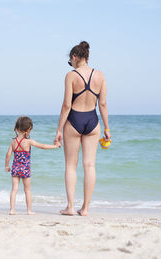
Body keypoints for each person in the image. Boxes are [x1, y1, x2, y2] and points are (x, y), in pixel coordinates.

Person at [54, 41, 111, 216]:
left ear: (74, 57)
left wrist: (58, 129)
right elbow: (102, 104)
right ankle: (85, 208)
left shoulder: (71, 76)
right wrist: (107, 129)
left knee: (71, 166)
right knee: (90, 165)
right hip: (93, 121)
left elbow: (66, 105)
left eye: (70, 61)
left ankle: (70, 207)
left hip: (74, 120)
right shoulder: (100, 75)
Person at [5, 116, 61, 215]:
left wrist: (6, 166)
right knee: (27, 190)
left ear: (17, 128)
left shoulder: (13, 142)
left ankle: (12, 209)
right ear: (28, 130)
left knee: (14, 189)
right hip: (25, 169)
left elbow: (8, 154)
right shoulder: (29, 141)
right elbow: (43, 146)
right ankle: (29, 210)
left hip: (15, 168)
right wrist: (55, 146)